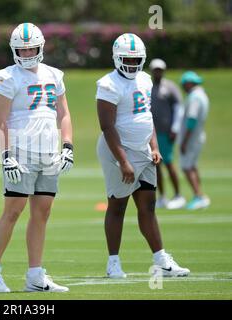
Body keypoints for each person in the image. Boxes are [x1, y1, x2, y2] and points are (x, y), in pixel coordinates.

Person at [0, 23, 74, 293]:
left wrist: (68, 145)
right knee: (12, 212)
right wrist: (6, 155)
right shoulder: (6, 77)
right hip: (21, 152)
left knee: (42, 213)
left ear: (40, 46)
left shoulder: (54, 75)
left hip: (48, 152)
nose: (26, 53)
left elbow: (64, 114)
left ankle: (35, 275)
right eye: (21, 50)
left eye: (30, 48)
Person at [95, 33, 190, 279]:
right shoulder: (108, 84)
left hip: (143, 149)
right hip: (118, 150)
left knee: (148, 205)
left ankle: (161, 260)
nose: (132, 63)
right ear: (117, 58)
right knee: (118, 205)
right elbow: (107, 126)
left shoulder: (145, 79)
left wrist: (155, 147)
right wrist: (124, 161)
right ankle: (113, 263)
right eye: (127, 58)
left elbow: (145, 118)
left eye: (136, 59)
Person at [149, 59, 186, 209]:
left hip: (165, 133)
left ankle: (178, 195)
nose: (158, 72)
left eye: (160, 70)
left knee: (169, 164)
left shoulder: (170, 87)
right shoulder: (147, 86)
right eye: (155, 70)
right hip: (151, 134)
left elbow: (179, 108)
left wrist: (175, 129)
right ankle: (162, 197)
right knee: (156, 166)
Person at [179, 71, 210, 210]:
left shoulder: (195, 97)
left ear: (189, 83)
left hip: (191, 138)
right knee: (192, 166)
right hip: (197, 137)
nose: (183, 87)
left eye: (184, 84)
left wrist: (184, 141)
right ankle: (200, 195)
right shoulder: (202, 95)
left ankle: (198, 196)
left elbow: (191, 120)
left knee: (187, 167)